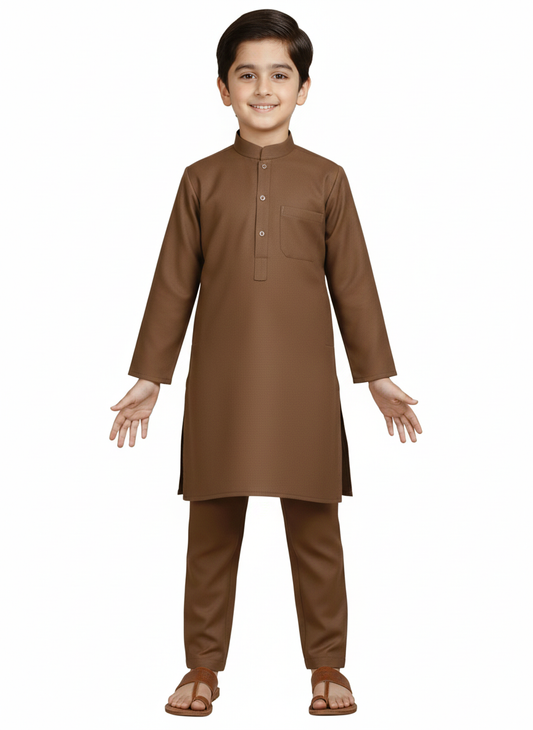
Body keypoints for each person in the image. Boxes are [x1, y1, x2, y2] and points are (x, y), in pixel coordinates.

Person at [109, 9, 422, 717]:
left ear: (304, 89)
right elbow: (172, 282)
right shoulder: (199, 180)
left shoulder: (327, 179)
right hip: (220, 383)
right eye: (246, 75)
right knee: (211, 527)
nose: (263, 89)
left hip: (304, 385)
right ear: (222, 88)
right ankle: (201, 667)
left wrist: (376, 376)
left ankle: (328, 666)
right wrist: (150, 377)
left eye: (279, 75)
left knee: (315, 527)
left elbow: (354, 282)